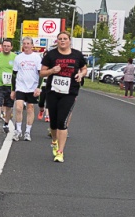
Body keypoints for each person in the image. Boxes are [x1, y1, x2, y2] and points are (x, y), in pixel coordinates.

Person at [39, 32, 87, 163]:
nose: (62, 41)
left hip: (70, 92)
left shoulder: (77, 55)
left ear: (69, 41)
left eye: (65, 39)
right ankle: (54, 141)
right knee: (53, 122)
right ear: (57, 41)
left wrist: (81, 75)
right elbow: (42, 73)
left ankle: (60, 152)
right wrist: (51, 71)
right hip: (53, 92)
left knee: (62, 121)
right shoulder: (51, 55)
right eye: (60, 39)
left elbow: (84, 68)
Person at [10, 37, 42, 141]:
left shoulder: (37, 58)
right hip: (20, 86)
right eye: (24, 43)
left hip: (32, 86)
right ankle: (18, 130)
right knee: (19, 107)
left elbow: (40, 74)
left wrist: (38, 87)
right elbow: (14, 74)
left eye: (28, 43)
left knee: (30, 108)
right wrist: (13, 89)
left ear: (32, 45)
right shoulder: (18, 58)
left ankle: (27, 131)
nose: (26, 46)